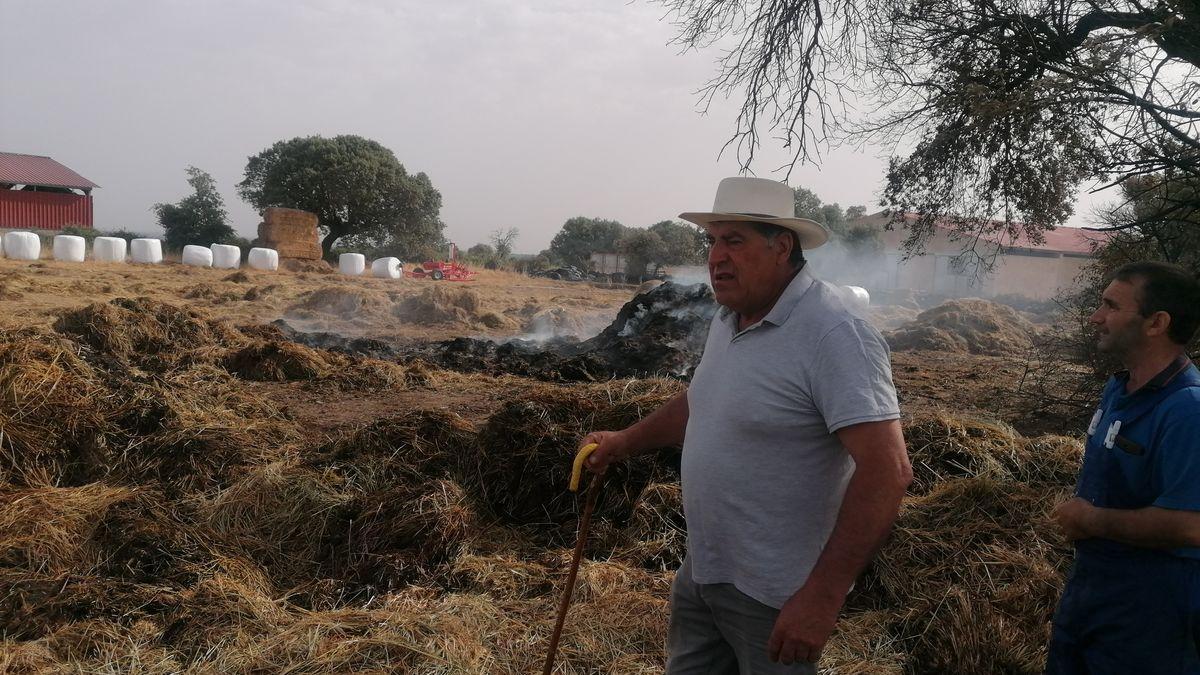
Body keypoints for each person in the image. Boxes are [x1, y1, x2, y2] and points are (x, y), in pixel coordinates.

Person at [581, 177, 912, 673]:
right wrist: (625, 441)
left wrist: (821, 598)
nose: (716, 257)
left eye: (734, 241)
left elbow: (888, 470)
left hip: (777, 597)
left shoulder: (835, 335)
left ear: (781, 247)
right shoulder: (729, 317)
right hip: (706, 569)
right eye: (712, 241)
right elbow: (702, 401)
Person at [1048, 261, 1200, 674]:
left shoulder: (1187, 409)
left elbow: (1191, 525)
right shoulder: (1119, 388)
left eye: (1111, 306)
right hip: (1090, 596)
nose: (1097, 317)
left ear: (1157, 323)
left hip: (1151, 619)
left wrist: (1092, 520)